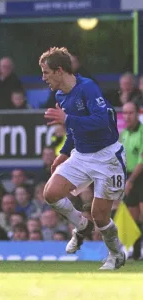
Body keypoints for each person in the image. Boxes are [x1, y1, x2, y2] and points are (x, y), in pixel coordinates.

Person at [41, 47, 126, 270]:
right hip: (81, 155)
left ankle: (116, 254)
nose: (44, 77)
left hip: (107, 157)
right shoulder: (60, 95)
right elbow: (74, 130)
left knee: (101, 215)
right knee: (50, 193)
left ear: (59, 71)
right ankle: (82, 225)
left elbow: (102, 122)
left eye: (46, 72)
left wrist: (67, 119)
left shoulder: (88, 87)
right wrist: (64, 152)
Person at [120, 102, 143, 260]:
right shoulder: (124, 134)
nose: (127, 116)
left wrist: (131, 180)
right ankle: (135, 253)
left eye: (130, 113)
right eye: (125, 113)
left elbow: (141, 160)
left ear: (137, 114)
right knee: (133, 217)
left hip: (139, 176)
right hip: (129, 177)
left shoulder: (142, 132)